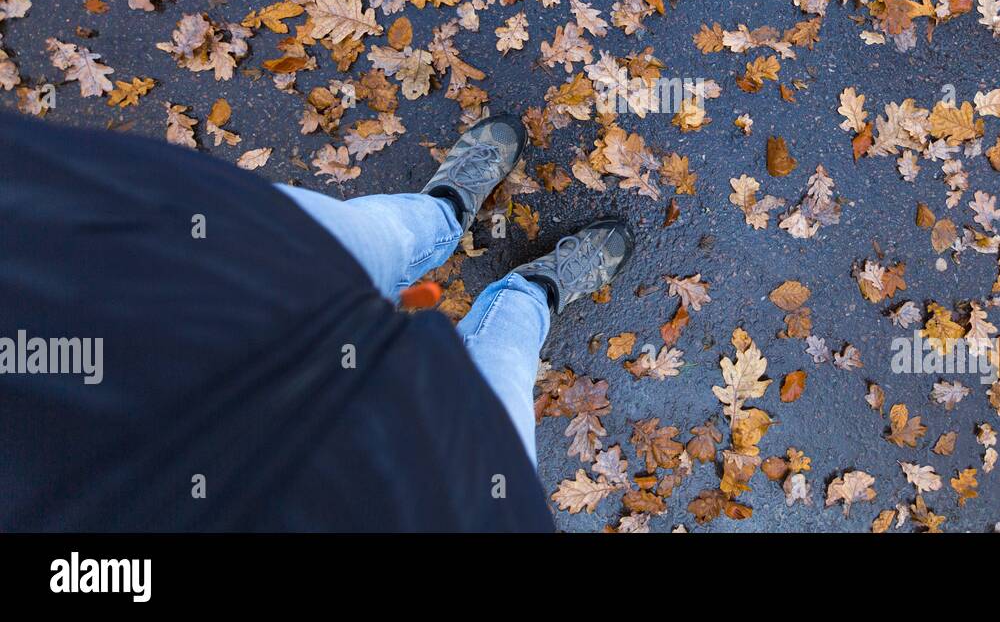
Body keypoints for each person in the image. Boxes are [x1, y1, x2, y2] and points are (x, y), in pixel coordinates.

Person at [0, 110, 633, 531]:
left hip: (132, 274)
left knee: (366, 238)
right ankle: (532, 293)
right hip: (430, 507)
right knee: (504, 371)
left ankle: (441, 213)